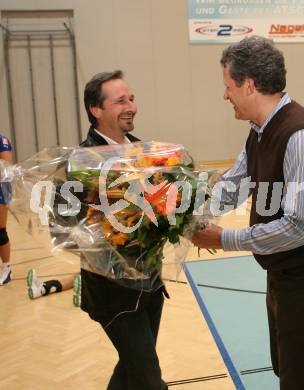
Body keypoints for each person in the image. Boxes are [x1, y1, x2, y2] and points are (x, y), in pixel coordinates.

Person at [191, 36, 304, 390]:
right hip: (285, 271)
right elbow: (235, 182)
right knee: (286, 368)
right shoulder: (260, 131)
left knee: (300, 378)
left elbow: (299, 227)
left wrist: (223, 239)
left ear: (248, 85)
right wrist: (181, 210)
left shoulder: (302, 137)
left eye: (228, 86)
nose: (224, 95)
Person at [80, 70, 168, 390]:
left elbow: (162, 208)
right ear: (96, 109)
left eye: (131, 98)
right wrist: (111, 228)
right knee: (148, 377)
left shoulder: (146, 152)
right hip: (113, 292)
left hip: (151, 285)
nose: (130, 105)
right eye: (120, 100)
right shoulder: (82, 161)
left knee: (132, 370)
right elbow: (63, 227)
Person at [0, 133, 13, 285]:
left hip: (1, 190)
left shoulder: (1, 140)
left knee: (0, 231)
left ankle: (6, 269)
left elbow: (7, 167)